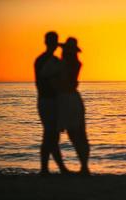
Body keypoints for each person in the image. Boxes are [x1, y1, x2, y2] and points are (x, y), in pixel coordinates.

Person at [40, 37, 90, 174]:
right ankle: (84, 167)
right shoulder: (76, 63)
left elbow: (45, 73)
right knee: (80, 134)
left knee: (74, 134)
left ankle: (83, 168)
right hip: (74, 98)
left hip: (65, 100)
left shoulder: (61, 64)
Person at [34, 31, 69, 175]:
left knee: (52, 135)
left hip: (52, 100)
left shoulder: (52, 59)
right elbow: (43, 82)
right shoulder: (43, 60)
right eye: (53, 41)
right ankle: (46, 169)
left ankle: (57, 168)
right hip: (47, 100)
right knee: (49, 134)